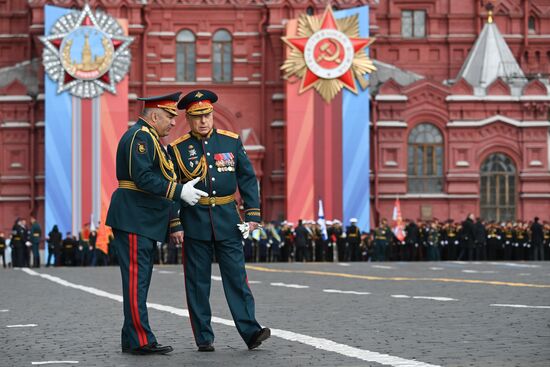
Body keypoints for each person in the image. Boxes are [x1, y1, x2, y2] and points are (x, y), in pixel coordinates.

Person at [168, 89, 270, 352]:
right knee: (197, 284)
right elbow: (171, 187)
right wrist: (175, 222)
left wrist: (253, 215)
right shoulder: (177, 149)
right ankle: (204, 338)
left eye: (207, 115)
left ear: (212, 115)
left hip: (228, 220)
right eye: (197, 116)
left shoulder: (231, 141)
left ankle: (251, 332)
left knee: (237, 279)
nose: (203, 121)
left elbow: (247, 178)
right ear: (189, 119)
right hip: (195, 222)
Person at [106, 92, 206, 355]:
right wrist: (178, 191)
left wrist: (173, 217)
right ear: (154, 116)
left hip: (141, 217)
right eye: (170, 116)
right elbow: (143, 178)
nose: (174, 123)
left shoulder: (149, 138)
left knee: (139, 281)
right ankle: (140, 339)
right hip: (135, 216)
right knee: (136, 281)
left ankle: (132, 337)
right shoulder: (140, 137)